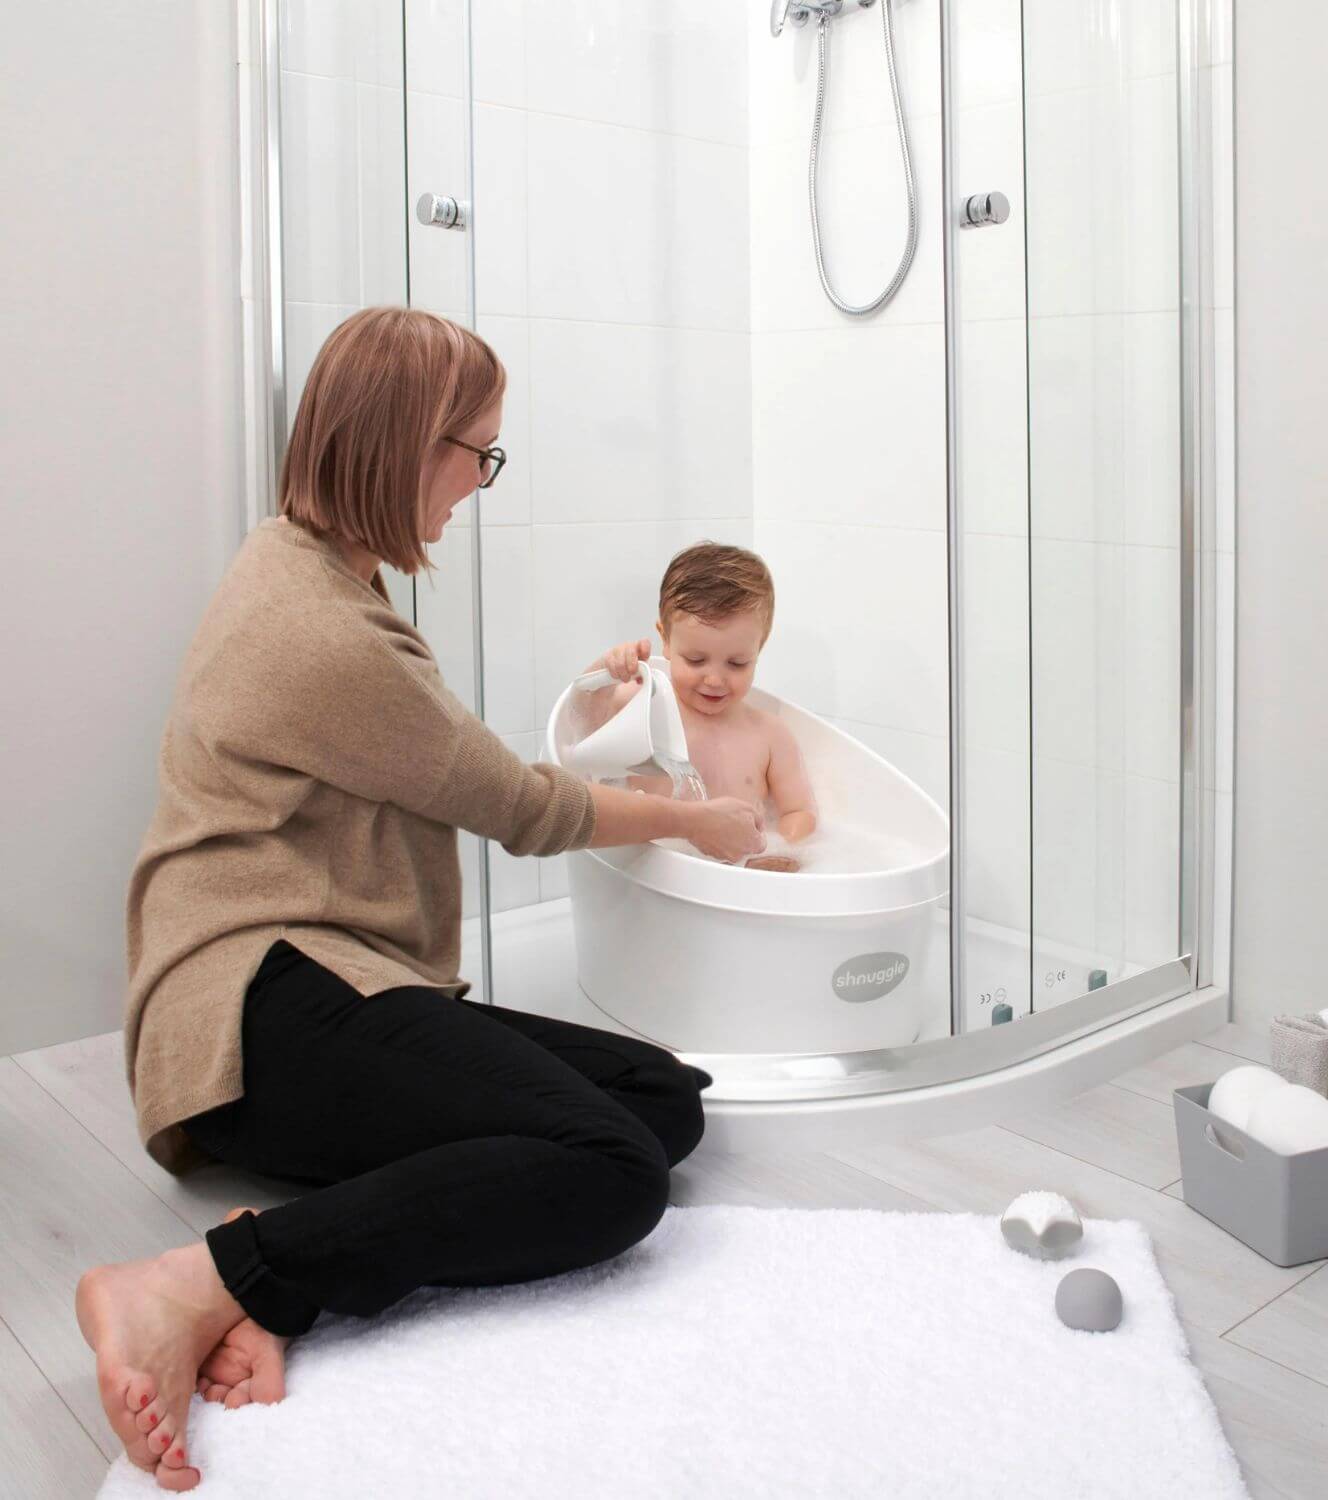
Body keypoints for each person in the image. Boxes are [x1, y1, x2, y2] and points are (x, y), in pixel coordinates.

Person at [75, 307, 766, 1492]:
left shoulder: (305, 566)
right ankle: (198, 1282)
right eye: (478, 452)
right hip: (255, 1009)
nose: (480, 483)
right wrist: (703, 821)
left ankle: (284, 1261)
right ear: (406, 445)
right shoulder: (323, 634)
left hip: (325, 979)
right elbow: (523, 808)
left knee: (662, 1102)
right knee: (614, 1172)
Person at [584, 542, 817, 872]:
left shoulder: (770, 735)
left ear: (760, 646)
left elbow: (799, 812)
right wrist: (607, 671)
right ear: (665, 640)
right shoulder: (639, 706)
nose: (715, 679)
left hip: (740, 878)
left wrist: (780, 852)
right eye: (695, 660)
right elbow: (579, 726)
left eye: (737, 663)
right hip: (649, 873)